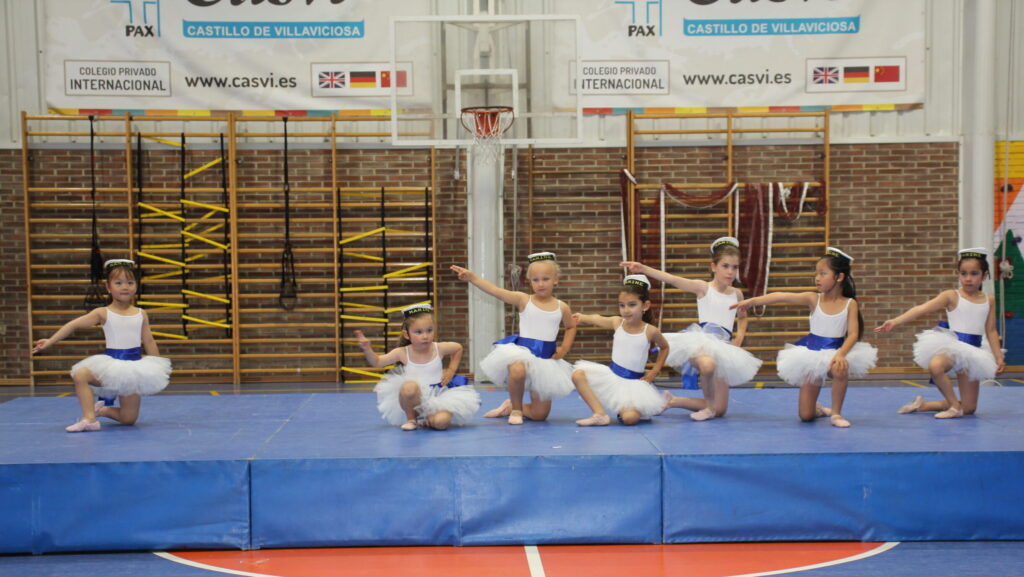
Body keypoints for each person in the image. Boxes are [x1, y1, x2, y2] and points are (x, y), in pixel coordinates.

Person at [732, 247, 876, 427]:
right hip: (812, 355)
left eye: (823, 273)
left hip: (835, 352)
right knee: (806, 416)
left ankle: (836, 414)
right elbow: (782, 296)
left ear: (839, 277)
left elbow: (853, 334)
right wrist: (752, 301)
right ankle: (819, 409)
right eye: (816, 273)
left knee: (840, 369)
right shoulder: (813, 299)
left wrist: (840, 354)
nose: (817, 278)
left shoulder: (850, 304)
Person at [621, 237, 762, 421]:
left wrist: (739, 338)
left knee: (720, 409)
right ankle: (709, 408)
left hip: (724, 347)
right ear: (714, 267)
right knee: (707, 365)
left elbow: (742, 318)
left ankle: (672, 401)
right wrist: (644, 269)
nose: (730, 272)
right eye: (725, 266)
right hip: (701, 343)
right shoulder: (703, 288)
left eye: (734, 267)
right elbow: (673, 279)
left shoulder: (737, 294)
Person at [32, 259, 171, 432]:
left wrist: (157, 366)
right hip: (110, 367)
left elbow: (149, 341)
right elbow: (73, 325)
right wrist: (50, 341)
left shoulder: (141, 313)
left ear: (136, 286)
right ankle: (89, 419)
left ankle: (101, 410)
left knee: (128, 419)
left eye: (130, 282)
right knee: (81, 374)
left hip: (133, 369)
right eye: (118, 283)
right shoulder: (103, 313)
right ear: (108, 288)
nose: (125, 287)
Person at [875, 247, 1004, 418]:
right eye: (963, 273)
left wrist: (998, 357)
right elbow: (921, 309)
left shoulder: (989, 300)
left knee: (969, 408)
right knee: (936, 366)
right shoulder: (951, 296)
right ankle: (954, 406)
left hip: (974, 352)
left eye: (974, 273)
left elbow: (991, 330)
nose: (968, 278)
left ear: (984, 275)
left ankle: (923, 405)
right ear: (958, 274)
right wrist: (896, 321)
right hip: (954, 346)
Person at [451, 252, 576, 425]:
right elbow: (495, 291)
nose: (540, 284)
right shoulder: (523, 299)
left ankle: (509, 407)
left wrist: (564, 348)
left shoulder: (562, 307)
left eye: (545, 279)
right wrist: (472, 277)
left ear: (556, 279)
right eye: (535, 280)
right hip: (522, 352)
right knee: (517, 369)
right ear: (529, 281)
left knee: (540, 415)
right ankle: (516, 409)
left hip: (546, 360)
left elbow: (570, 327)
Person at [355, 303, 479, 431]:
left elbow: (458, 348)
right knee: (409, 387)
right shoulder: (403, 352)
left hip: (437, 396)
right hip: (414, 398)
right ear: (407, 334)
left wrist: (451, 370)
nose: (425, 336)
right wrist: (367, 349)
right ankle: (412, 419)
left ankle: (427, 419)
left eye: (429, 330)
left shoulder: (439, 348)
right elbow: (377, 362)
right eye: (418, 332)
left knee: (441, 423)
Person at [570, 274, 669, 426]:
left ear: (645, 306)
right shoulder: (617, 322)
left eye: (632, 305)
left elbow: (665, 347)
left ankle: (630, 409)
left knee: (630, 419)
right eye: (622, 305)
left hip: (633, 384)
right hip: (612, 376)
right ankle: (600, 414)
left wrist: (654, 371)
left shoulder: (650, 331)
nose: (626, 310)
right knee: (578, 374)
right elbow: (597, 318)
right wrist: (581, 317)